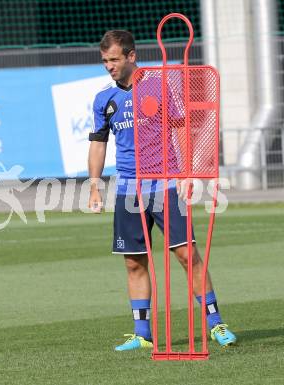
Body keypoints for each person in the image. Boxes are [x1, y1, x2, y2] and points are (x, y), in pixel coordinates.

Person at [88, 30, 236, 351]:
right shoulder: (104, 98)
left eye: (114, 59)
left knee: (187, 255)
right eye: (104, 61)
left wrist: (186, 172)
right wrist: (95, 186)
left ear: (131, 56)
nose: (108, 66)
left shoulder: (160, 82)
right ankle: (142, 334)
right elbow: (98, 144)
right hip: (129, 189)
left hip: (166, 183)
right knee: (133, 262)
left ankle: (215, 324)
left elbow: (180, 126)